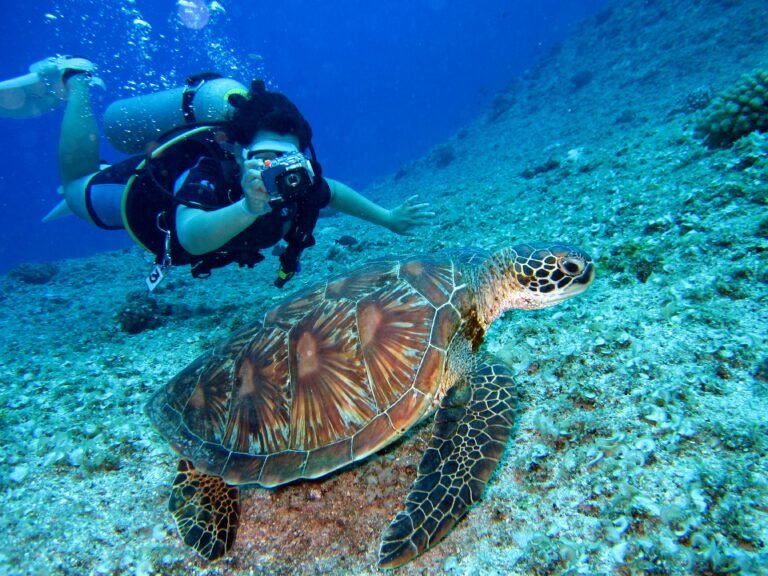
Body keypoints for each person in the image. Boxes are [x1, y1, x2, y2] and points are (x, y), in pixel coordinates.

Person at [3, 56, 432, 288]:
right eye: (263, 156)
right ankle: (75, 80)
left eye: (289, 158)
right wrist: (248, 207)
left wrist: (389, 219)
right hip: (139, 198)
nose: (275, 169)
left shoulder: (296, 179)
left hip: (196, 201)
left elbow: (332, 191)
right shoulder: (211, 167)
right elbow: (190, 234)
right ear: (234, 147)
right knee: (75, 189)